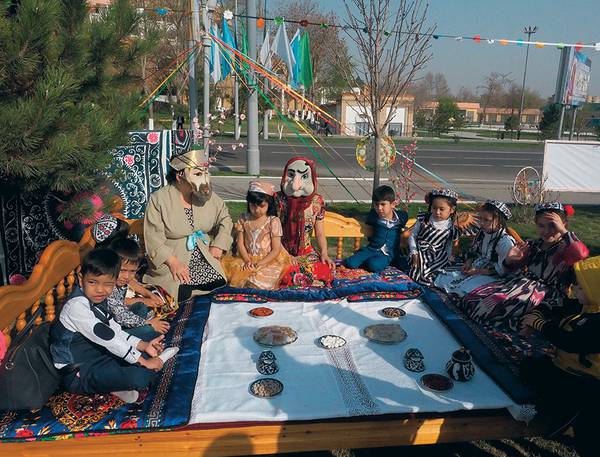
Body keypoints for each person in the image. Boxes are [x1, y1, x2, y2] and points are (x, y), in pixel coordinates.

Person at [49, 249, 174, 403]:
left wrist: (143, 346)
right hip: (78, 373)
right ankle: (124, 378)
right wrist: (144, 362)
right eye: (93, 282)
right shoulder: (76, 307)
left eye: (108, 284)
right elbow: (109, 339)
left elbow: (115, 331)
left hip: (99, 356)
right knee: (140, 376)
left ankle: (116, 383)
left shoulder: (99, 300)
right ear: (81, 279)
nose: (100, 290)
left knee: (147, 339)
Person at [461, 202, 588, 331]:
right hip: (520, 285)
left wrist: (564, 232)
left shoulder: (566, 248)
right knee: (470, 301)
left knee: (485, 310)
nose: (546, 231)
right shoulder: (534, 245)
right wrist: (509, 260)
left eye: (553, 226)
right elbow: (511, 269)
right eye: (541, 226)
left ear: (563, 225)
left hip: (546, 295)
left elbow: (581, 254)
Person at [520, 256, 596, 454]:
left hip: (586, 380)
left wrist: (539, 324)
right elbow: (556, 305)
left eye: (580, 286)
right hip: (565, 364)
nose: (574, 290)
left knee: (588, 437)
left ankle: (565, 419)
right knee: (528, 368)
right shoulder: (584, 304)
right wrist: (537, 315)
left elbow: (572, 342)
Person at [144, 145, 233, 302]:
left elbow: (225, 217)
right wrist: (172, 262)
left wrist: (218, 244)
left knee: (218, 282)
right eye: (198, 174)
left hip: (203, 253)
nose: (204, 179)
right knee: (179, 291)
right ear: (180, 176)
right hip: (173, 257)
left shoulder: (206, 197)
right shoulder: (159, 199)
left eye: (206, 173)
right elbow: (153, 237)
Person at [275, 157, 335, 287]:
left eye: (303, 176)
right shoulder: (278, 199)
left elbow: (319, 233)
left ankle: (294, 278)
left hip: (306, 252)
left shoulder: (317, 202)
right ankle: (297, 278)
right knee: (279, 271)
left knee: (327, 271)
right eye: (291, 175)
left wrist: (324, 253)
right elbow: (272, 233)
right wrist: (286, 256)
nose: (295, 184)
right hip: (280, 251)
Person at [435, 200, 515, 297]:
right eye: (480, 218)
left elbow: (503, 271)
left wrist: (477, 271)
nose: (481, 223)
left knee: (466, 289)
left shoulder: (504, 242)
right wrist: (468, 263)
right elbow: (474, 251)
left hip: (494, 277)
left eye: (486, 220)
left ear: (499, 222)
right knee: (443, 279)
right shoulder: (482, 233)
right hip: (478, 268)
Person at [221, 181, 291, 290]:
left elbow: (276, 249)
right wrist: (247, 261)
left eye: (262, 206)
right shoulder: (244, 218)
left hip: (267, 261)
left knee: (259, 279)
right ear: (248, 203)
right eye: (253, 206)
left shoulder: (273, 221)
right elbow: (240, 244)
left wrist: (260, 263)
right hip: (247, 258)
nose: (257, 210)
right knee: (238, 273)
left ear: (269, 204)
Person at [106, 237, 170, 341]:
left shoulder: (120, 281)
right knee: (152, 330)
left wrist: (148, 295)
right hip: (111, 331)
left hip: (119, 320)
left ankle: (143, 332)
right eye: (122, 270)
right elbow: (122, 317)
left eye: (132, 271)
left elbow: (122, 307)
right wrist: (148, 323)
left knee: (140, 307)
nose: (127, 276)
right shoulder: (107, 286)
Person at [343, 185, 408, 273]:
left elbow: (417, 223)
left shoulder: (401, 217)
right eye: (377, 205)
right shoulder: (374, 216)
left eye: (383, 204)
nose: (379, 208)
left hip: (389, 253)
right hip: (372, 249)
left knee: (374, 265)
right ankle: (364, 258)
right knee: (350, 263)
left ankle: (381, 262)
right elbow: (367, 223)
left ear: (393, 204)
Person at [407, 189, 461, 286]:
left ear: (452, 210)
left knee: (439, 273)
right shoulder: (424, 219)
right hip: (420, 252)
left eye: (441, 209)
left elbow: (448, 244)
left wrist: (449, 257)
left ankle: (433, 282)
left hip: (438, 255)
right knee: (416, 271)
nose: (437, 212)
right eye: (434, 208)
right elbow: (412, 236)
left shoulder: (451, 227)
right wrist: (414, 253)